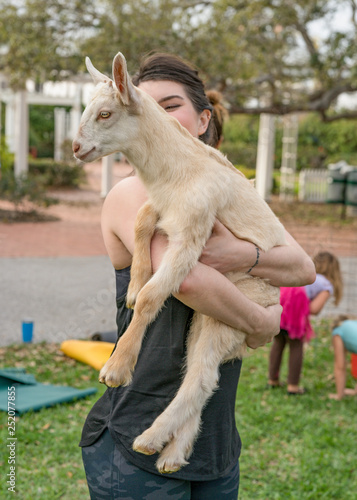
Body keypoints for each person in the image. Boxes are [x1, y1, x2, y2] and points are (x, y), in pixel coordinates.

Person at [80, 52, 316, 499]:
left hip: (214, 442)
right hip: (136, 445)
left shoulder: (223, 184)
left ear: (204, 119)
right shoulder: (133, 191)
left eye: (169, 106)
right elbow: (188, 279)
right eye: (142, 105)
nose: (152, 114)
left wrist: (239, 253)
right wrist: (262, 321)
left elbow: (303, 266)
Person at [268, 251, 343, 395]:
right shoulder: (326, 285)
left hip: (281, 302)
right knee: (296, 345)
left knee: (278, 342)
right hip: (294, 310)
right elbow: (314, 309)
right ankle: (293, 387)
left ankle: (273, 380)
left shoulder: (305, 274)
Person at [329, 315, 357, 400]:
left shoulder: (337, 332)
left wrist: (339, 395)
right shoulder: (353, 325)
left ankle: (339, 395)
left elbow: (340, 367)